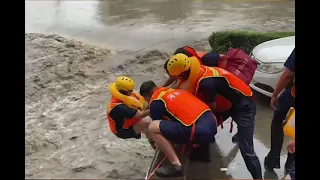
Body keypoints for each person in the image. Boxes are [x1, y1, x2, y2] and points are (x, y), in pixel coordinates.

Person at [165, 53, 262, 179]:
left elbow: (211, 109)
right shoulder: (198, 69)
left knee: (246, 149)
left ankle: (258, 177)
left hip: (244, 106)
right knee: (205, 127)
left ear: (182, 74)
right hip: (230, 100)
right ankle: (203, 154)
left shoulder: (206, 83)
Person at [139, 81, 218, 177]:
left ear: (146, 97)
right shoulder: (175, 90)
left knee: (153, 127)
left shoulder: (156, 102)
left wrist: (160, 144)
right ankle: (203, 154)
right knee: (191, 118)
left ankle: (176, 167)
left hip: (198, 131)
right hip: (212, 122)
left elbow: (160, 128)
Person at [264, 48, 295, 172]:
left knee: (277, 122)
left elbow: (288, 74)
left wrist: (275, 94)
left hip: (293, 97)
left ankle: (273, 159)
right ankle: (291, 164)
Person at [106, 76, 155, 149]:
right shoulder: (119, 107)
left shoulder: (126, 94)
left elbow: (143, 103)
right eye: (130, 90)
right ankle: (160, 142)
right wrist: (157, 107)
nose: (132, 92)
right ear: (124, 91)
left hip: (131, 121)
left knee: (147, 124)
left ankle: (153, 142)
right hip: (123, 131)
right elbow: (141, 115)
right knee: (150, 122)